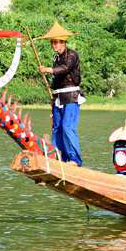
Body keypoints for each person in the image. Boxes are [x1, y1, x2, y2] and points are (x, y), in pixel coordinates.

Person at [37, 21, 84, 166]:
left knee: (67, 127)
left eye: (57, 42)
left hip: (70, 96)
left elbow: (65, 68)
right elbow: (57, 79)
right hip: (58, 97)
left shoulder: (72, 55)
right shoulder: (55, 58)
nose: (55, 45)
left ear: (63, 42)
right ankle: (59, 157)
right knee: (56, 128)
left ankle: (75, 160)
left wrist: (49, 70)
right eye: (53, 42)